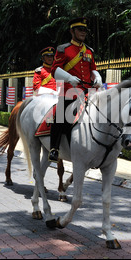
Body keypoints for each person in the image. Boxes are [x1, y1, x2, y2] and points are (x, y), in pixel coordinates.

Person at [48, 17, 103, 162]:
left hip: (88, 91)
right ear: (72, 31)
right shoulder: (63, 49)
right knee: (60, 115)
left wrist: (97, 78)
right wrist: (68, 78)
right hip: (69, 91)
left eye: (85, 30)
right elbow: (54, 70)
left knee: (104, 113)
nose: (83, 32)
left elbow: (93, 69)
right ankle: (54, 148)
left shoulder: (89, 51)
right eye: (80, 29)